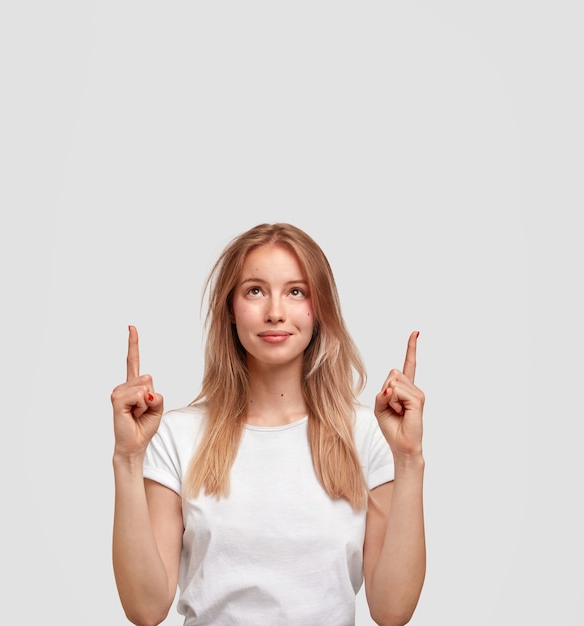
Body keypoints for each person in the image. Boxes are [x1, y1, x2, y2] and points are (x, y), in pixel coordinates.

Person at [111, 222, 426, 626]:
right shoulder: (177, 435)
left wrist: (409, 459)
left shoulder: (367, 434)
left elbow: (392, 610)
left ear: (321, 309)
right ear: (230, 308)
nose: (275, 312)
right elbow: (145, 609)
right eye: (255, 291)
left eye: (296, 292)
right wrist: (127, 458)